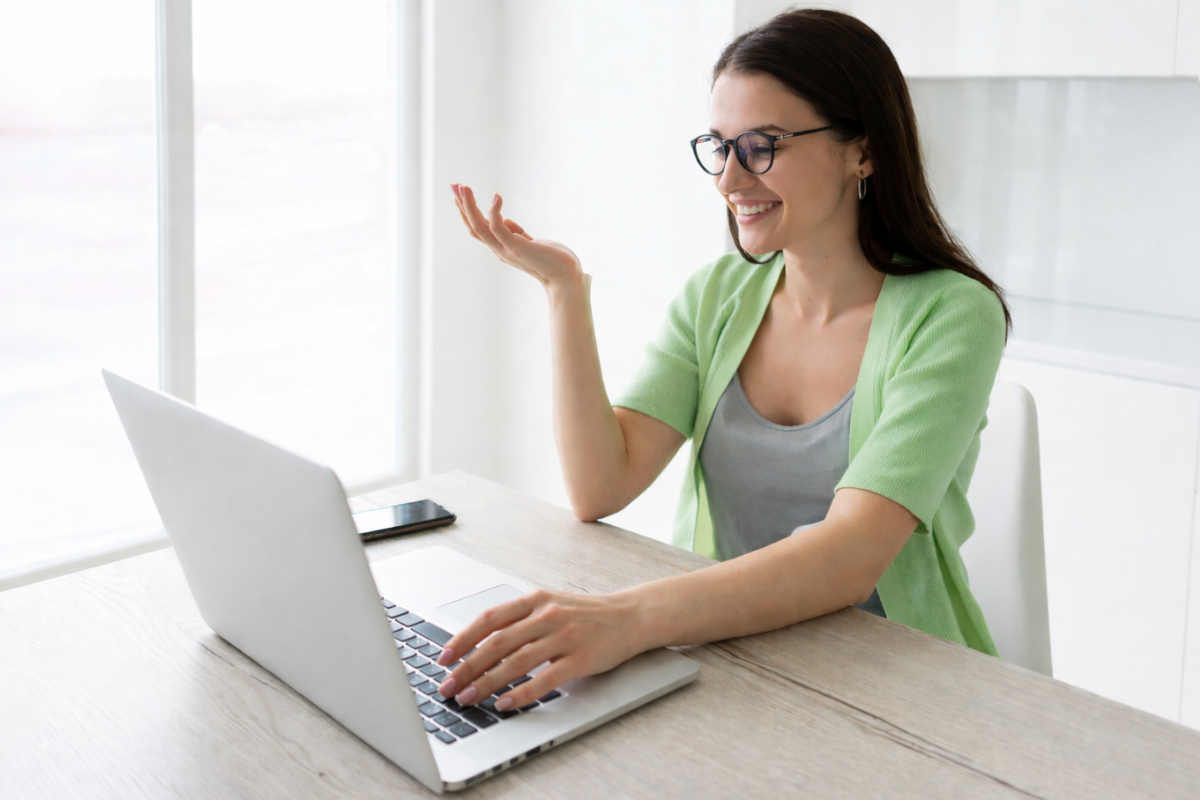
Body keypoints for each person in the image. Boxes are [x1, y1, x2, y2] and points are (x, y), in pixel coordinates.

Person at [432, 9, 1010, 714]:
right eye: (719, 145)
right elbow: (600, 484)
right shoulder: (719, 294)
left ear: (864, 150)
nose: (730, 178)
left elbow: (851, 558)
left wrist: (630, 618)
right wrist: (563, 291)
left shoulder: (953, 315)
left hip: (900, 682)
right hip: (731, 654)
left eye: (763, 145)